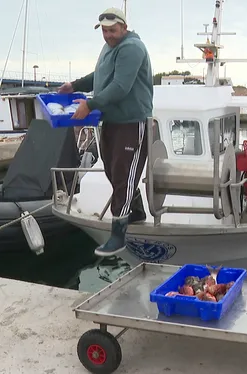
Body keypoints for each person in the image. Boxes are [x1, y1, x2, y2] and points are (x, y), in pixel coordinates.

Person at [58, 7, 153, 257]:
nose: (108, 35)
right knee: (112, 171)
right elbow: (100, 76)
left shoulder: (132, 48)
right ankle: (137, 210)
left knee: (124, 175)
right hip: (111, 120)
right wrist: (75, 85)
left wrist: (90, 104)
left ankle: (118, 235)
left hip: (132, 122)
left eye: (112, 30)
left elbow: (120, 87)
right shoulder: (110, 47)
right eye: (104, 31)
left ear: (123, 26)